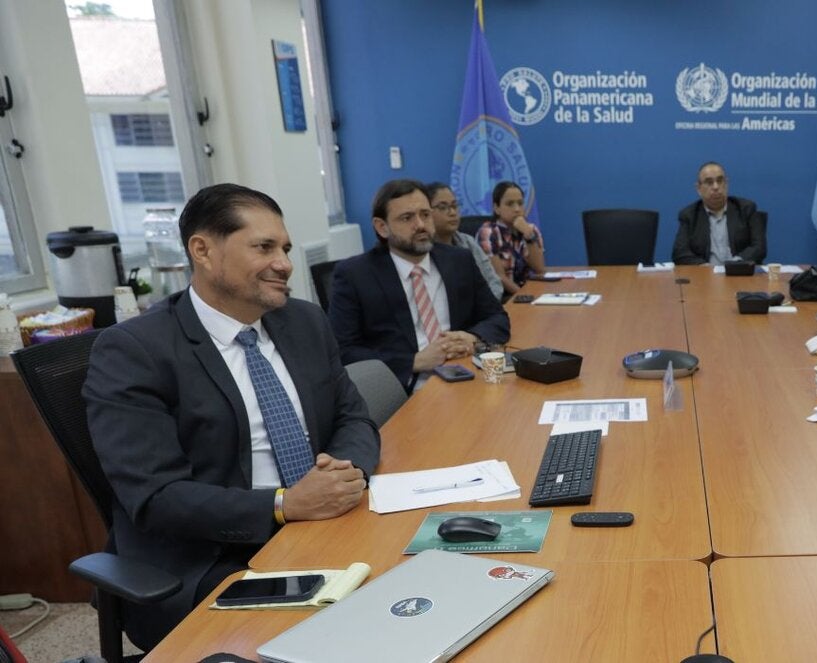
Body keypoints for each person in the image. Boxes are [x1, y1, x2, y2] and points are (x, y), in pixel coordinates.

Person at [83, 183, 380, 650]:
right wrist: (283, 504)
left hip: (324, 524)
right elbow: (156, 496)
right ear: (202, 249)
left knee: (417, 591)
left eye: (284, 247)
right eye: (264, 247)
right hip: (209, 561)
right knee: (346, 640)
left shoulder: (303, 321)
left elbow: (353, 418)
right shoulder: (133, 351)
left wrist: (345, 473)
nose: (284, 263)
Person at [329, 179, 510, 391]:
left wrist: (473, 338)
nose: (421, 225)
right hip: (403, 388)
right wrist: (414, 361)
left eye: (425, 214)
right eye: (407, 218)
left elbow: (498, 317)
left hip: (464, 373)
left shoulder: (459, 260)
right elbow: (343, 350)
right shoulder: (355, 275)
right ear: (382, 227)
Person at [672, 161, 767, 265]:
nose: (716, 187)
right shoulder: (689, 215)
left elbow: (759, 247)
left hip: (740, 274)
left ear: (726, 184)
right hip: (706, 276)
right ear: (698, 189)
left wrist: (735, 264)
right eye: (709, 182)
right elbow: (679, 253)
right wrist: (706, 268)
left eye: (720, 180)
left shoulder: (746, 209)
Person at [424, 181, 504, 302]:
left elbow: (494, 282)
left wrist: (484, 308)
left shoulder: (468, 242)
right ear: (426, 213)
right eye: (443, 207)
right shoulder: (422, 249)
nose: (452, 212)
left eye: (455, 206)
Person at [477, 181, 546, 295]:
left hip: (528, 292)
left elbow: (539, 269)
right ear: (496, 208)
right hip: (501, 297)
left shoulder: (530, 230)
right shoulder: (488, 232)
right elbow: (499, 277)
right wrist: (524, 297)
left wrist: (528, 236)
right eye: (510, 204)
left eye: (520, 203)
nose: (517, 209)